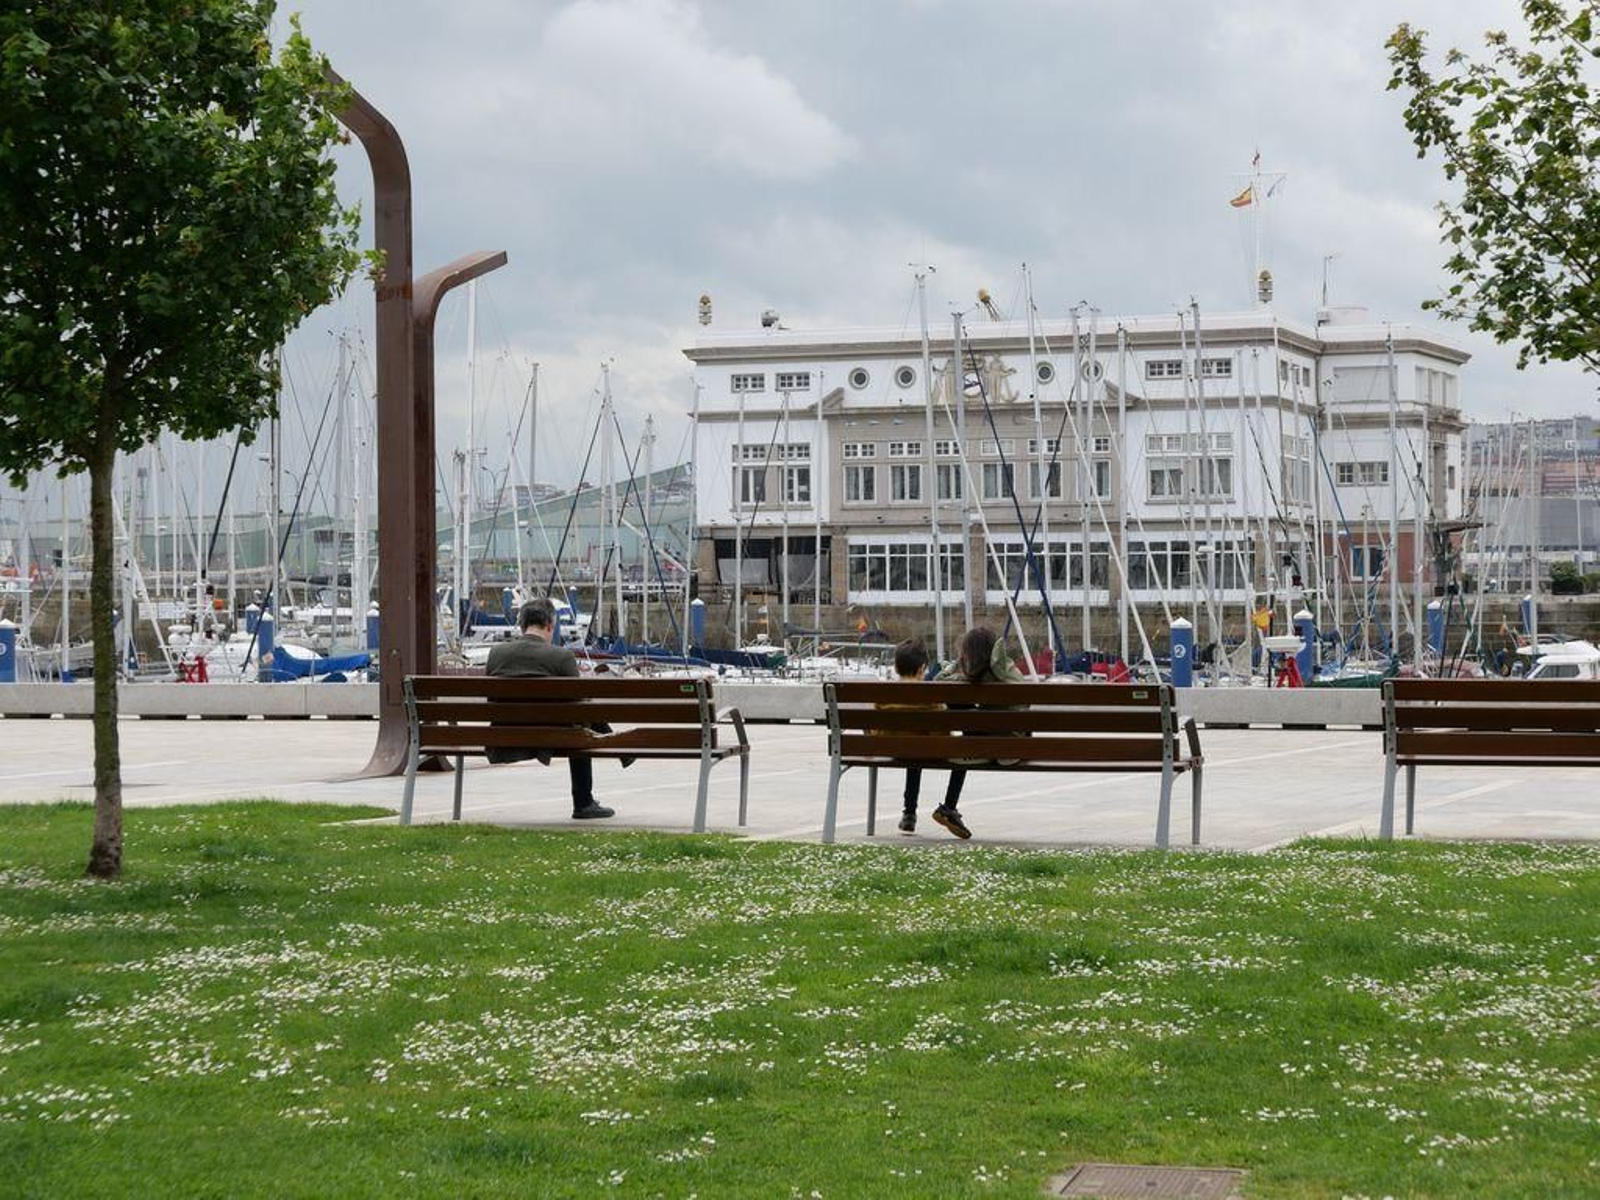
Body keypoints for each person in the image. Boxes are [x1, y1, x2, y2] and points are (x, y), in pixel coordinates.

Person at [485, 598, 616, 820]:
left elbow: (491, 698)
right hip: (553, 737)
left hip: (505, 735)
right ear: (550, 626)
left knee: (581, 714)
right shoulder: (561, 656)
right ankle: (583, 803)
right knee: (582, 718)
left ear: (522, 626)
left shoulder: (496, 653)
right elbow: (579, 704)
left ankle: (620, 750)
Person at [929, 626, 1028, 839]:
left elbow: (937, 682)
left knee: (961, 708)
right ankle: (948, 808)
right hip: (1012, 749)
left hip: (981, 747)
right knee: (976, 716)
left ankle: (949, 806)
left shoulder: (968, 680)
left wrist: (955, 665)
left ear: (967, 654)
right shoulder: (1006, 674)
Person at [872, 638, 948, 836]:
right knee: (917, 747)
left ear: (896, 668)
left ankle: (909, 814)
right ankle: (912, 812)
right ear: (923, 668)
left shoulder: (883, 694)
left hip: (891, 750)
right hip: (924, 751)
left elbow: (875, 728)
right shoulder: (931, 696)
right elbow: (942, 733)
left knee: (911, 747)